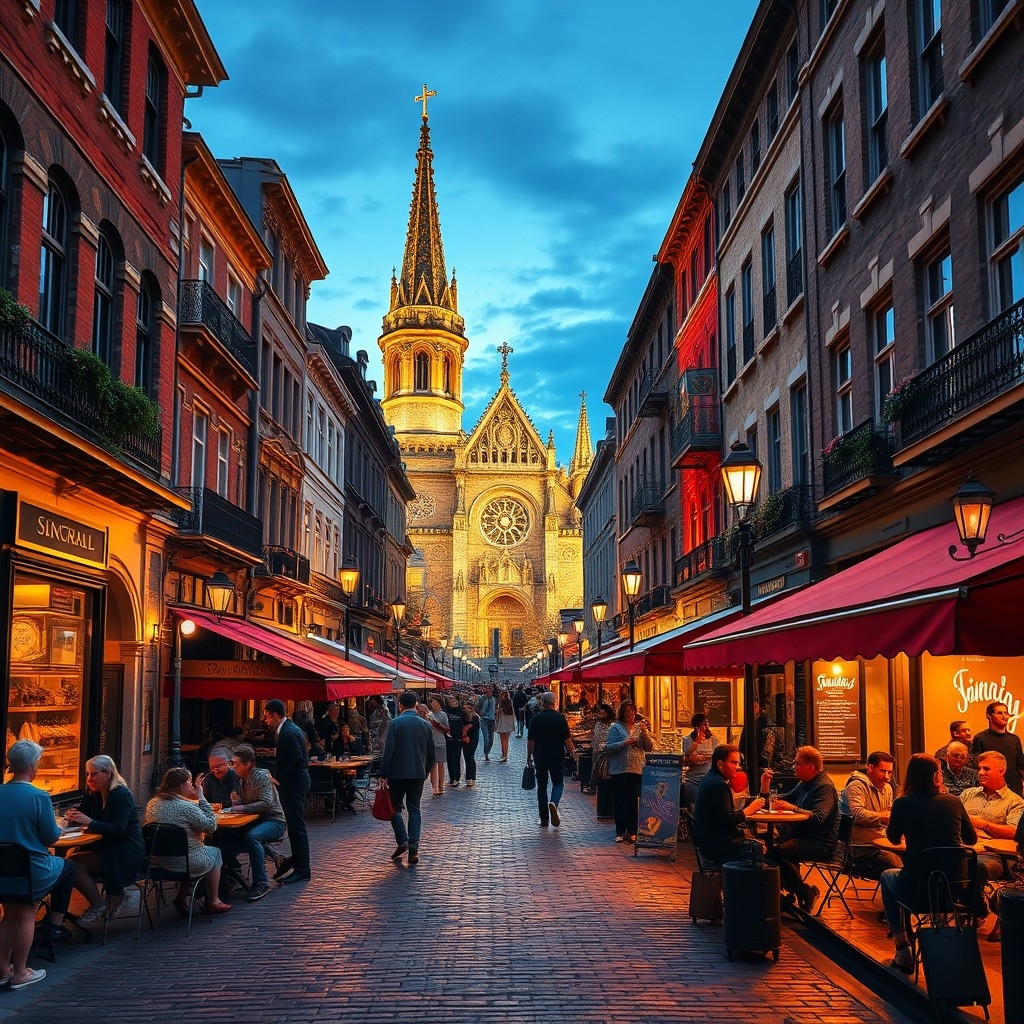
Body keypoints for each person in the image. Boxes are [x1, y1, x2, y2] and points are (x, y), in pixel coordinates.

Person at [881, 753, 977, 974]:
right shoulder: (954, 801)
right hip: (954, 890)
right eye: (940, 772)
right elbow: (971, 840)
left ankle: (902, 948)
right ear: (935, 776)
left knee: (887, 876)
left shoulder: (902, 803)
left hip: (918, 887)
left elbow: (893, 839)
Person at [0, 740, 79, 989]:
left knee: (9, 914)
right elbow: (50, 837)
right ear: (33, 765)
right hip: (31, 868)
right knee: (26, 911)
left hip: (3, 868)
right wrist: (61, 826)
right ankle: (22, 971)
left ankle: (2, 968)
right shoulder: (39, 797)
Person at [64, 754, 144, 923]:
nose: (89, 779)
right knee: (69, 857)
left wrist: (89, 822)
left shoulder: (120, 795)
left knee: (72, 864)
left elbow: (118, 830)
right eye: (87, 774)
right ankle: (61, 912)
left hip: (124, 852)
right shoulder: (93, 793)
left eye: (93, 774)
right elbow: (82, 813)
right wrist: (70, 817)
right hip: (105, 847)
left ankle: (97, 904)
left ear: (107, 773)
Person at [759, 745, 838, 912]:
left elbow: (818, 817)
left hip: (820, 843)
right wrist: (765, 785)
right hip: (801, 837)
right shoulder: (805, 783)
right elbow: (782, 799)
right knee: (776, 850)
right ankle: (788, 894)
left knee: (777, 852)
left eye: (797, 764)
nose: (793, 767)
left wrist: (792, 808)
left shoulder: (824, 787)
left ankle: (803, 892)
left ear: (811, 766)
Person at [143, 768, 232, 916]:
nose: (191, 786)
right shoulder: (187, 807)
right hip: (186, 862)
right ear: (181, 785)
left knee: (186, 851)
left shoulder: (153, 803)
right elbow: (210, 826)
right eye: (189, 783)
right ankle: (214, 901)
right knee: (215, 852)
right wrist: (201, 797)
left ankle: (181, 897)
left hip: (157, 861)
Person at [959, 749, 1024, 941]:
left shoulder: (1014, 802)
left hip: (997, 855)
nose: (981, 773)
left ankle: (975, 912)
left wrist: (984, 824)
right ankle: (974, 909)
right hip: (963, 848)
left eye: (986, 769)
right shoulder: (968, 794)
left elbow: (1014, 832)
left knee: (976, 865)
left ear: (1002, 771)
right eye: (979, 769)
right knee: (943, 860)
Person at [224, 743, 287, 902]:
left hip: (274, 820)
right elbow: (240, 806)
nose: (233, 767)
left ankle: (261, 883)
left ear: (248, 764)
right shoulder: (239, 780)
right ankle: (232, 877)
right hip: (253, 821)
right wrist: (236, 802)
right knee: (223, 838)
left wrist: (240, 807)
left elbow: (267, 803)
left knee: (252, 836)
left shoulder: (261, 777)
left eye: (236, 763)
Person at [380, 689, 435, 865]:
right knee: (414, 809)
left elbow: (388, 751)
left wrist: (383, 773)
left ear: (400, 704)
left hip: (397, 774)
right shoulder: (425, 724)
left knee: (394, 808)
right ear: (416, 705)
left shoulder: (395, 723)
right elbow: (431, 754)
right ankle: (414, 847)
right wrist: (425, 771)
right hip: (417, 773)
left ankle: (402, 839)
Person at [262, 699, 311, 884]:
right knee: (294, 826)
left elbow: (298, 760)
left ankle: (302, 868)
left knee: (296, 827)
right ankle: (296, 861)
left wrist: (279, 778)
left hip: (294, 785)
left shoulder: (288, 732)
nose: (265, 721)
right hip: (297, 783)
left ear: (275, 715)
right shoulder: (291, 729)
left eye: (267, 717)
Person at [692, 744, 766, 866]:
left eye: (738, 763)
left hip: (709, 844)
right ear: (720, 763)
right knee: (772, 853)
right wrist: (749, 810)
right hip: (719, 848)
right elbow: (727, 819)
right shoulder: (718, 785)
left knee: (773, 852)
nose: (738, 767)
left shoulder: (710, 779)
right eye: (734, 763)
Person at [838, 751, 900, 877]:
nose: (887, 777)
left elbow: (888, 813)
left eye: (890, 772)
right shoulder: (856, 786)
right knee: (894, 861)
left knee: (912, 856)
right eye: (883, 771)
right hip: (859, 845)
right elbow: (856, 814)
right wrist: (882, 816)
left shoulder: (887, 787)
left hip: (879, 839)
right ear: (870, 768)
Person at [605, 700, 654, 843]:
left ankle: (632, 830)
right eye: (628, 711)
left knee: (632, 799)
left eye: (633, 711)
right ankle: (620, 830)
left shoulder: (639, 728)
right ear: (622, 713)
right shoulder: (615, 728)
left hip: (636, 768)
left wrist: (644, 733)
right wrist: (624, 743)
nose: (631, 714)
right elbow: (608, 747)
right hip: (619, 769)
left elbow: (648, 747)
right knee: (620, 799)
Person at [527, 691, 576, 828]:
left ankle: (543, 818)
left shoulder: (536, 718)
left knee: (541, 787)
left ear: (542, 703)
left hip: (540, 756)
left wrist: (529, 755)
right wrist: (573, 753)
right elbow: (567, 740)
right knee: (558, 783)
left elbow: (530, 740)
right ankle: (554, 802)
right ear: (554, 702)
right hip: (557, 756)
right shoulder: (560, 718)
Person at [973, 701, 1024, 795]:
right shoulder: (980, 738)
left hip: (1014, 789)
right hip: (991, 790)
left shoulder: (1014, 739)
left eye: (1006, 713)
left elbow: (1021, 765)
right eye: (1000, 713)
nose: (1004, 716)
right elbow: (976, 766)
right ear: (989, 716)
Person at [681, 713, 718, 809]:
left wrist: (699, 758)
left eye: (707, 723)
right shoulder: (687, 739)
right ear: (696, 727)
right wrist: (696, 742)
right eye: (704, 724)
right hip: (691, 779)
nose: (707, 726)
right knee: (693, 808)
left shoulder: (713, 740)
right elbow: (687, 756)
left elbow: (714, 757)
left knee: (708, 807)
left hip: (707, 778)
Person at [427, 697, 449, 795]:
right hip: (431, 742)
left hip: (440, 741)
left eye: (436, 703)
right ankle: (434, 787)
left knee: (441, 764)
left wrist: (437, 724)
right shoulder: (428, 715)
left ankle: (441, 785)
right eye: (432, 703)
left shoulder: (443, 715)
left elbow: (447, 729)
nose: (434, 705)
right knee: (433, 764)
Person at [443, 695, 466, 787]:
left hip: (458, 737)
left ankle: (457, 778)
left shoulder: (461, 712)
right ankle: (451, 778)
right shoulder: (445, 712)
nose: (453, 704)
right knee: (449, 758)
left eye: (454, 702)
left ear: (458, 702)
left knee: (456, 757)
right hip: (448, 737)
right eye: (451, 702)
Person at [461, 701, 481, 787]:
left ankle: (472, 777)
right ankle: (468, 777)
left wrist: (465, 731)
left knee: (470, 757)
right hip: (465, 738)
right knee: (466, 757)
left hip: (472, 739)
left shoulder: (475, 717)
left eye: (466, 708)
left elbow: (471, 727)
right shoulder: (464, 716)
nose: (465, 710)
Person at [475, 685, 497, 761]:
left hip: (492, 720)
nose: (489, 693)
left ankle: (488, 750)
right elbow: (476, 708)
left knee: (491, 738)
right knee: (486, 737)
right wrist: (482, 714)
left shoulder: (493, 699)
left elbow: (494, 710)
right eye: (487, 692)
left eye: (490, 692)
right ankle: (486, 753)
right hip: (484, 720)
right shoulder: (481, 698)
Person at [495, 692, 515, 762]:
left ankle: (504, 755)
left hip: (502, 722)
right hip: (508, 723)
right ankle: (504, 755)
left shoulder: (501, 703)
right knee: (506, 740)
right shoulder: (510, 702)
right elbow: (513, 712)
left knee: (503, 740)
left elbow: (498, 713)